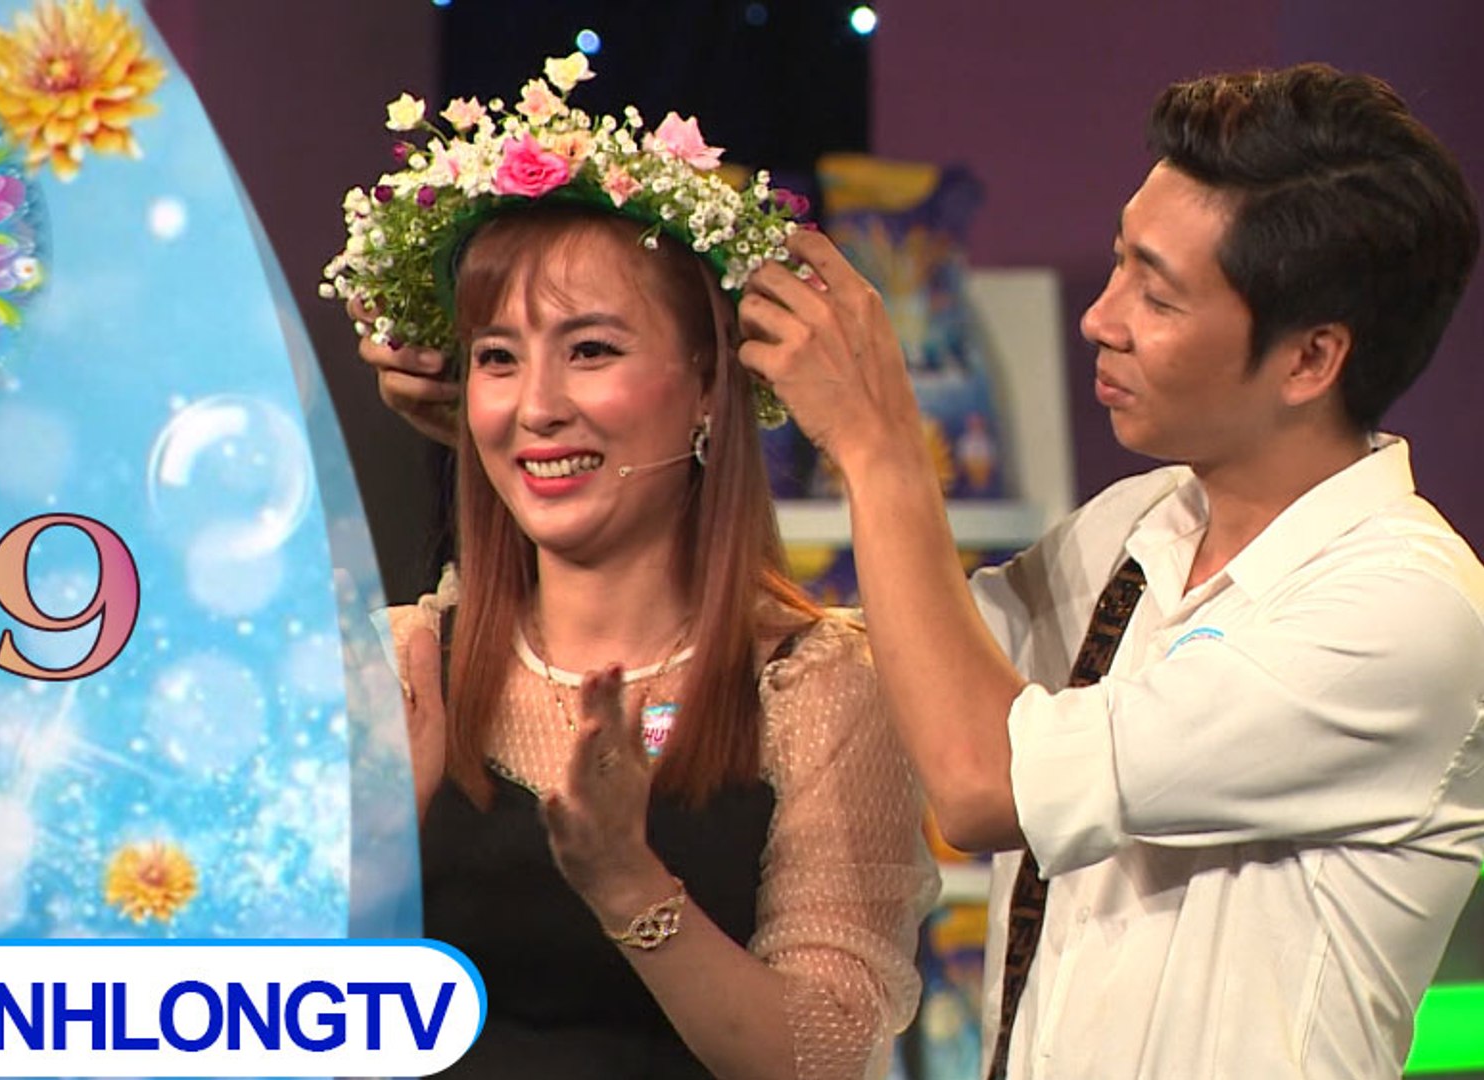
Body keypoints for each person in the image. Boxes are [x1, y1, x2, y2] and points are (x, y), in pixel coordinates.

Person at [732, 63, 1484, 1078]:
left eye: (1157, 295)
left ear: (1309, 361)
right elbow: (881, 674)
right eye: (1119, 262)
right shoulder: (1137, 525)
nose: (1101, 316)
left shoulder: (1402, 608)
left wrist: (880, 446)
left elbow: (982, 781)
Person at [328, 57, 937, 1079]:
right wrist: (374, 857)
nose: (536, 407)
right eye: (498, 357)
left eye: (592, 351)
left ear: (706, 385)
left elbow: (828, 1051)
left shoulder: (817, 688)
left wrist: (626, 884)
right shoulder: (396, 669)